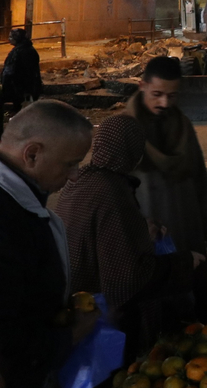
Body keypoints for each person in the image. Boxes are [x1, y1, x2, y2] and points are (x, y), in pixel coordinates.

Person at [56, 115, 199, 361]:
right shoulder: (112, 191)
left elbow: (105, 234)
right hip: (97, 309)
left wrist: (141, 230)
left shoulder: (81, 180)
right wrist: (184, 263)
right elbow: (129, 275)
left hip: (73, 294)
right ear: (134, 151)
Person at [0, 101, 94, 388]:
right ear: (33, 154)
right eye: (70, 164)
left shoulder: (21, 201)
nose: (73, 177)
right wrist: (70, 335)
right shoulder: (7, 221)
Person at [122, 56, 207, 326]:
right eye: (157, 94)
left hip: (187, 225)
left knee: (194, 310)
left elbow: (200, 179)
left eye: (171, 96)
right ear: (142, 85)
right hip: (149, 235)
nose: (164, 103)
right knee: (158, 309)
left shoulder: (183, 126)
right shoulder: (123, 131)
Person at [1, 27, 43, 120]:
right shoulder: (23, 49)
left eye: (11, 37)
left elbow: (21, 70)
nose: (9, 39)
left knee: (20, 103)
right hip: (20, 84)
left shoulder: (23, 51)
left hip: (21, 85)